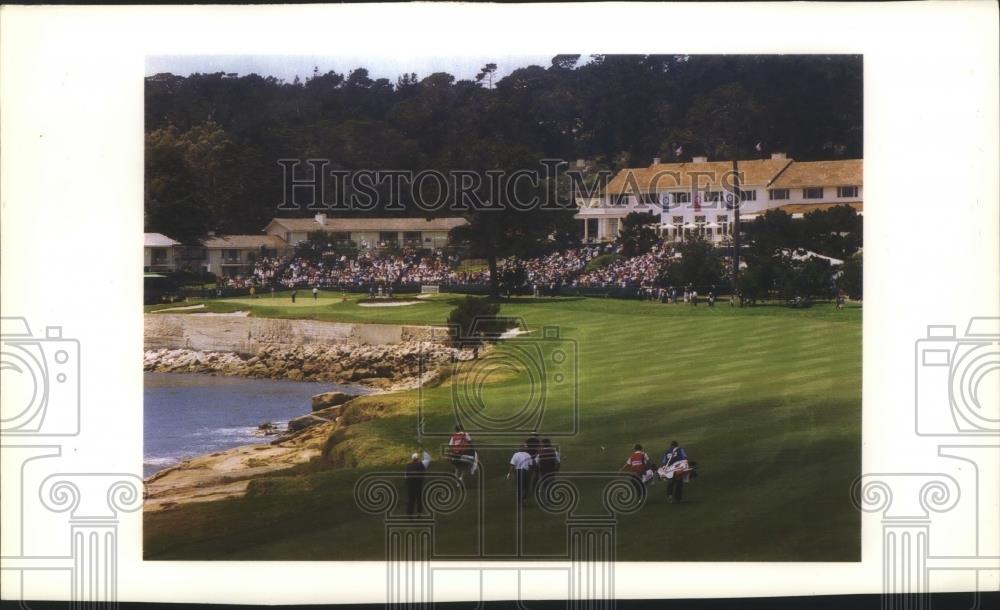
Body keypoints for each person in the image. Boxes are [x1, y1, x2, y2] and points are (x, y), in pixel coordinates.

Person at [405, 452, 426, 517]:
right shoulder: (421, 465)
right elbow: (423, 474)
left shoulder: (408, 465)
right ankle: (419, 513)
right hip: (418, 485)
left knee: (411, 499)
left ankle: (409, 513)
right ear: (418, 459)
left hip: (410, 485)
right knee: (419, 499)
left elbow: (406, 476)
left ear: (412, 459)